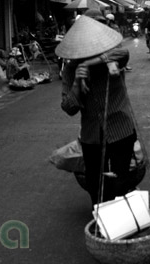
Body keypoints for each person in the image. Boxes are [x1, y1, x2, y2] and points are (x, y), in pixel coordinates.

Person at [56, 16, 137, 205]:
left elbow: (123, 53)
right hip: (91, 135)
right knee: (94, 183)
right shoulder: (70, 69)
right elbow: (69, 108)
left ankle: (122, 223)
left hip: (120, 129)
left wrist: (89, 63)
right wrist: (77, 83)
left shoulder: (112, 57)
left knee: (120, 181)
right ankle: (101, 222)